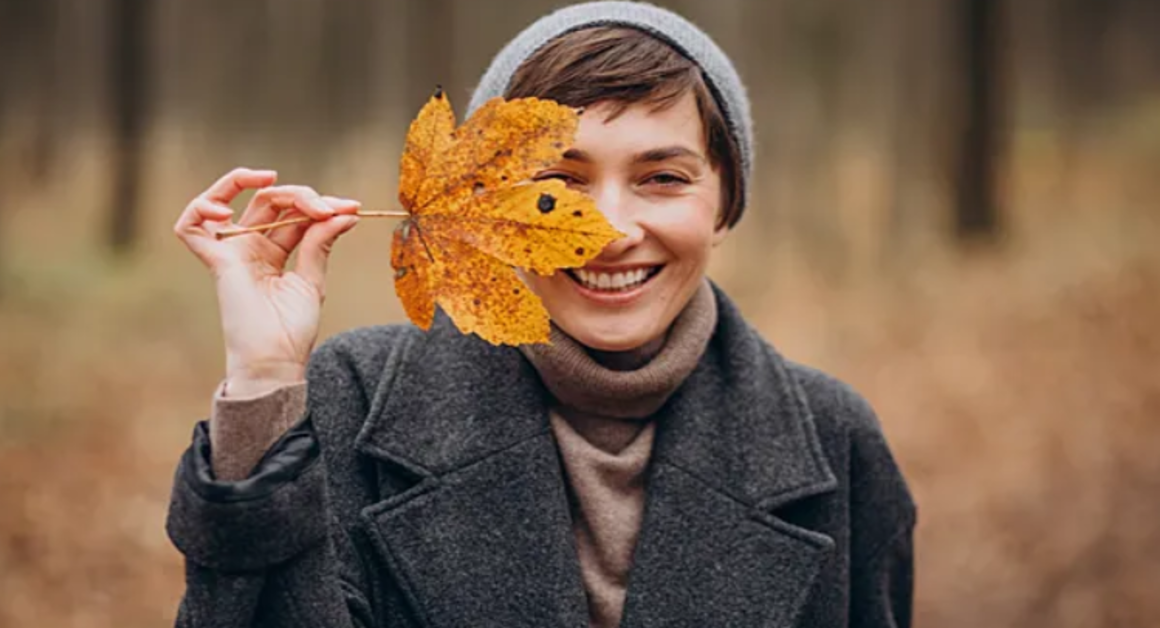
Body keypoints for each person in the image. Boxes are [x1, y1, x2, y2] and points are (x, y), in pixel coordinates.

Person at [167, 2, 916, 627]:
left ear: (725, 203)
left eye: (662, 177)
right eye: (559, 183)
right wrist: (264, 380)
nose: (611, 228)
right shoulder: (351, 398)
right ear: (480, 210)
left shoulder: (834, 440)